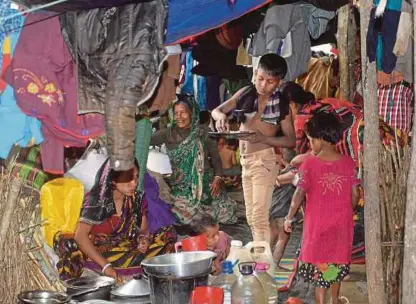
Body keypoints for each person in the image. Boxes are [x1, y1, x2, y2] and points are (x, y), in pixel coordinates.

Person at [211, 53, 295, 245]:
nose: (263, 85)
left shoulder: (282, 105)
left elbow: (291, 140)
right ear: (255, 73)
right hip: (246, 162)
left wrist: (264, 138)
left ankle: (262, 266)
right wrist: (221, 118)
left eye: (270, 82)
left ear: (279, 82)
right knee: (252, 218)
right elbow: (217, 110)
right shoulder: (244, 93)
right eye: (260, 79)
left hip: (264, 161)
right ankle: (264, 262)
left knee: (258, 218)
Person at [54, 159, 177, 281]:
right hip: (101, 250)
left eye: (136, 177)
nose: (134, 183)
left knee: (167, 234)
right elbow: (80, 237)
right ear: (112, 179)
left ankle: (134, 263)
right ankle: (126, 265)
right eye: (128, 178)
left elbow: (143, 228)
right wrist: (106, 267)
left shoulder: (136, 199)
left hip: (125, 246)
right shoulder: (96, 201)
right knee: (74, 252)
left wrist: (143, 238)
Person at [284, 112, 359, 304]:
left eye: (310, 140)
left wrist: (289, 217)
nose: (310, 145)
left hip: (317, 225)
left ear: (319, 138)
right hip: (341, 225)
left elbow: (298, 194)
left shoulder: (309, 163)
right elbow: (355, 195)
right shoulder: (348, 163)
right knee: (336, 262)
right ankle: (334, 300)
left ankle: (321, 301)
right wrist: (347, 212)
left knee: (321, 265)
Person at [150, 95, 237, 225]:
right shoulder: (167, 133)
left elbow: (215, 158)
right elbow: (144, 141)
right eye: (176, 113)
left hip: (208, 186)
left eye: (183, 113)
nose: (179, 117)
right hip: (182, 188)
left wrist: (218, 177)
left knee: (225, 214)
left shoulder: (203, 131)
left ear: (192, 113)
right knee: (186, 215)